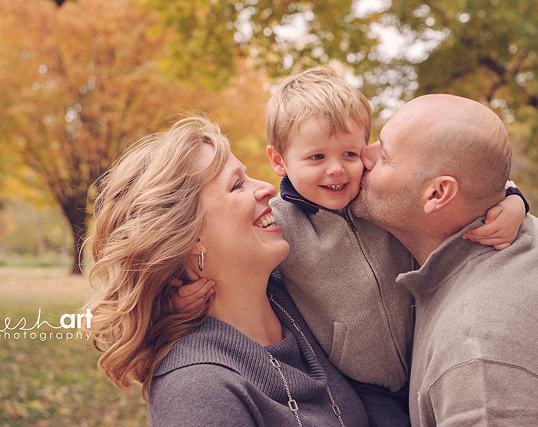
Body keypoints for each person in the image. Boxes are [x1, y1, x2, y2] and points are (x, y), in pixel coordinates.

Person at [174, 67, 529, 427]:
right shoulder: (278, 224)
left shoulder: (378, 199)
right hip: (365, 388)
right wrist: (174, 300)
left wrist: (513, 199)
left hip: (426, 352)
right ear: (279, 160)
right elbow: (237, 271)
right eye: (316, 158)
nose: (336, 171)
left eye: (349, 154)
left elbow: (457, 179)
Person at [351, 94, 538, 427]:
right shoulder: (516, 229)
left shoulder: (479, 353)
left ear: (436, 194)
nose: (364, 154)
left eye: (384, 154)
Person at [81, 116, 369, 427]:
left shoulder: (297, 292)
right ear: (189, 235)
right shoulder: (196, 392)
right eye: (237, 184)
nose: (268, 188)